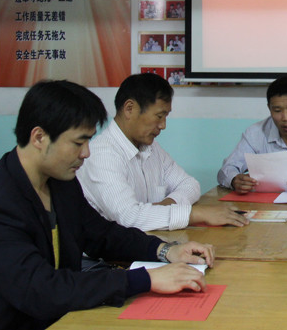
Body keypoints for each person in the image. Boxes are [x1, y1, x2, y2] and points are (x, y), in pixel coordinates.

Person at [0, 80, 216, 330]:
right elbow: (40, 290)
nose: (86, 153)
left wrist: (164, 250)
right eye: (78, 143)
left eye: (89, 140)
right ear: (39, 137)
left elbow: (100, 234)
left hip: (58, 318)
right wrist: (145, 279)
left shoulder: (59, 182)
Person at [78, 73, 248, 231]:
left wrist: (163, 208)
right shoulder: (102, 155)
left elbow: (190, 185)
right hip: (110, 252)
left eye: (165, 117)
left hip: (150, 242)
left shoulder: (151, 148)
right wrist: (196, 214)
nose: (163, 125)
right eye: (159, 116)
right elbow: (129, 218)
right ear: (129, 108)